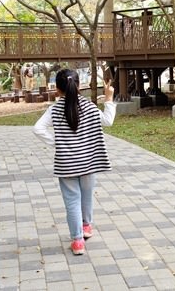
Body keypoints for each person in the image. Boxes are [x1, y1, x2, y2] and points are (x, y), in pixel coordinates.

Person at [33, 69, 116, 255]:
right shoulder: (88, 106)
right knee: (86, 195)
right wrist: (109, 98)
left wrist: (57, 142)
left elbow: (38, 129)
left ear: (57, 89)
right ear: (78, 85)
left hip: (67, 164)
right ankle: (86, 226)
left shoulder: (54, 109)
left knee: (72, 201)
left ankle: (78, 241)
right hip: (89, 162)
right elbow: (108, 121)